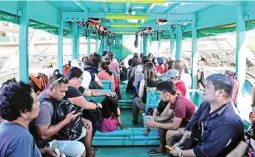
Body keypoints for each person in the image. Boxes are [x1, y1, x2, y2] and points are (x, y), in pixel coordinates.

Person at [170, 73, 244, 157]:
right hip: (198, 145)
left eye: (207, 87)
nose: (203, 90)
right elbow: (191, 125)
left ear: (220, 93)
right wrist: (180, 142)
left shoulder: (228, 121)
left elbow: (206, 152)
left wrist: (180, 153)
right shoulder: (205, 105)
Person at [0, 79, 61, 157]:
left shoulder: (5, 127)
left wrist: (42, 151)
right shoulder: (22, 138)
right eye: (35, 101)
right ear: (23, 113)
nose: (39, 103)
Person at [33, 74, 87, 157]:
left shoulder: (51, 96)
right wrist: (66, 121)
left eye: (65, 91)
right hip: (47, 143)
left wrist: (80, 119)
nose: (64, 94)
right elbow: (43, 135)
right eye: (62, 91)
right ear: (51, 88)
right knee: (80, 148)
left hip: (55, 134)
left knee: (85, 128)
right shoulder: (45, 106)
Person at [147, 81, 195, 156]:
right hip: (183, 123)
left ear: (167, 95)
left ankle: (170, 155)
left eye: (160, 94)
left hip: (190, 129)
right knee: (162, 125)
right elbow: (168, 115)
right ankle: (162, 148)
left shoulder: (180, 104)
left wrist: (156, 124)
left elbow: (175, 126)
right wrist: (155, 118)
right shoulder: (174, 100)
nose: (160, 96)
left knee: (170, 133)